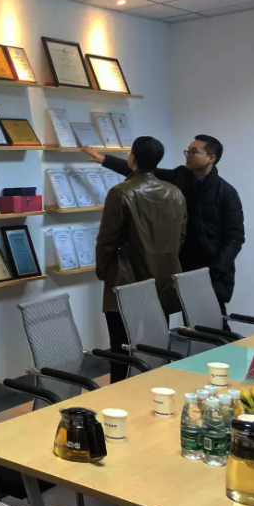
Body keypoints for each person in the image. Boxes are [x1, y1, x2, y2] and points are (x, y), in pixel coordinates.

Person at [85, 134, 245, 321]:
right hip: (182, 268)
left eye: (193, 152)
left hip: (211, 272)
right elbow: (146, 171)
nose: (188, 156)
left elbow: (235, 238)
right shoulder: (181, 176)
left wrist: (214, 272)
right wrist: (105, 160)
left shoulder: (226, 193)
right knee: (191, 327)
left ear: (211, 158)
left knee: (213, 324)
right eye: (187, 151)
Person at [94, 136, 187, 383]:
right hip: (164, 279)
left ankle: (119, 397)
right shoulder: (175, 192)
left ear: (132, 157)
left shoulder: (120, 192)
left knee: (122, 349)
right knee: (158, 343)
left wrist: (103, 270)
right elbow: (181, 235)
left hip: (125, 279)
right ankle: (156, 390)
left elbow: (106, 240)